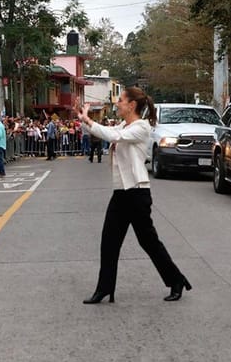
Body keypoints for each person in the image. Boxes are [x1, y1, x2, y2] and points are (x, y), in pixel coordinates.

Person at [77, 87, 191, 304]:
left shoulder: (141, 127)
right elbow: (107, 132)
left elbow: (112, 135)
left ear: (131, 105)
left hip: (137, 194)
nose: (117, 103)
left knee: (149, 242)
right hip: (121, 193)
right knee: (109, 242)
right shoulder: (123, 125)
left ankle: (176, 280)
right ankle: (104, 288)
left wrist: (89, 121)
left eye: (120, 100)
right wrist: (83, 119)